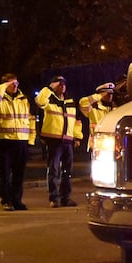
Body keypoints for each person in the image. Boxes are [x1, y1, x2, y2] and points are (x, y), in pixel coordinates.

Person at [0, 73, 35, 210]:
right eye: (11, 83)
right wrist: (3, 87)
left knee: (19, 174)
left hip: (21, 141)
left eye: (16, 83)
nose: (15, 85)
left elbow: (30, 120)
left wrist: (30, 140)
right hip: (4, 141)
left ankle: (17, 200)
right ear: (3, 85)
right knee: (5, 173)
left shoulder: (23, 99)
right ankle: (6, 200)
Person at [36, 75, 81, 206]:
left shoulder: (70, 101)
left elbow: (76, 122)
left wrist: (77, 137)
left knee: (68, 172)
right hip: (54, 141)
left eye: (64, 84)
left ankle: (65, 198)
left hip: (68, 141)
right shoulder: (48, 100)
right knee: (54, 170)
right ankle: (53, 198)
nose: (62, 86)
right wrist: (48, 88)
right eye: (58, 84)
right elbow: (39, 101)